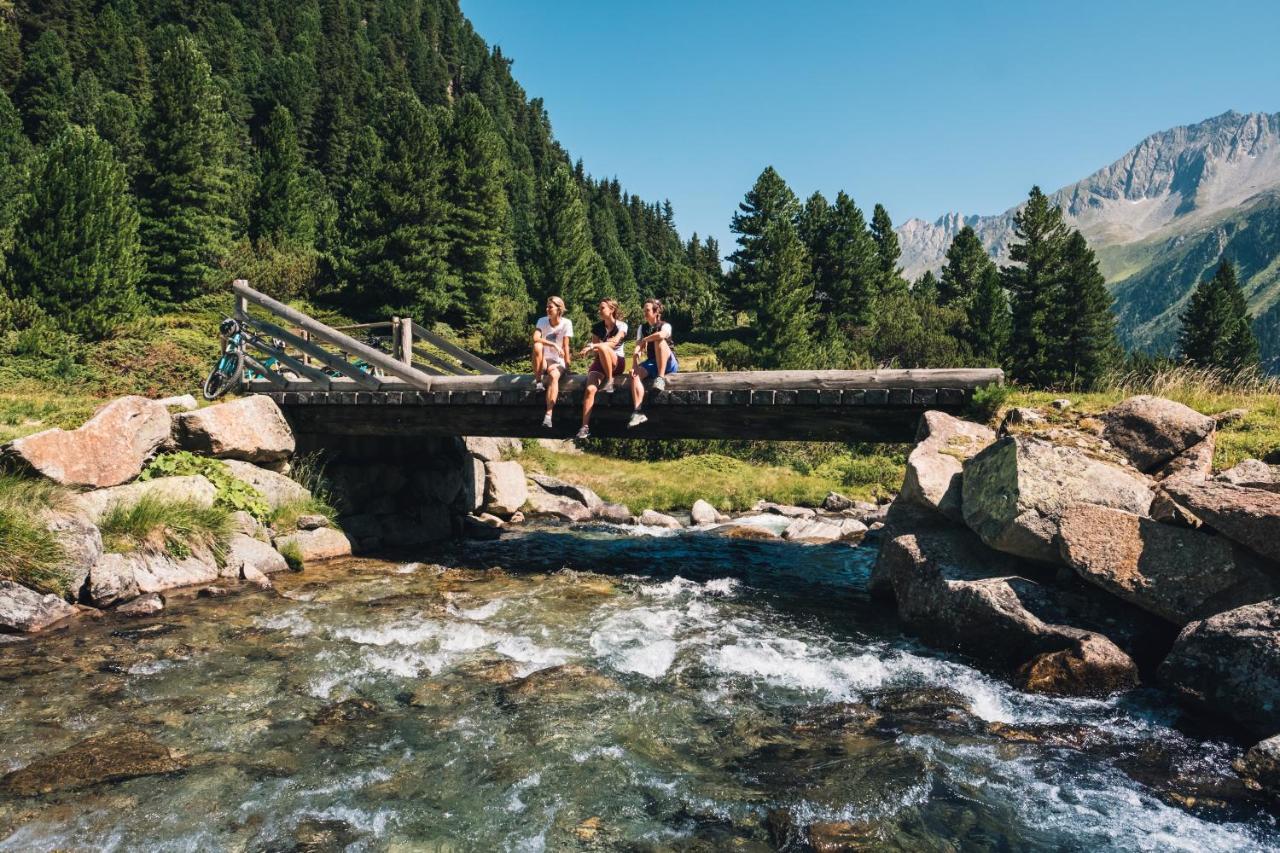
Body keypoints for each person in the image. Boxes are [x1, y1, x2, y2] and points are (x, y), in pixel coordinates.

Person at [575, 299, 628, 439]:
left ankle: (610, 380)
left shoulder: (622, 326)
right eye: (599, 308)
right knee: (590, 389)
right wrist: (594, 347)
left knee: (604, 346)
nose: (599, 311)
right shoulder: (597, 327)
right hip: (600, 362)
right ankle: (584, 427)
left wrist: (593, 346)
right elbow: (597, 352)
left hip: (617, 362)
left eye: (602, 308)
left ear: (612, 309)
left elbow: (614, 342)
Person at [628, 298, 677, 428]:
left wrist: (645, 339)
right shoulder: (642, 328)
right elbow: (638, 346)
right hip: (652, 362)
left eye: (647, 310)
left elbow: (661, 335)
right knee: (634, 374)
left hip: (669, 362)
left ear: (656, 312)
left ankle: (660, 378)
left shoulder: (665, 325)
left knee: (658, 340)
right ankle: (638, 411)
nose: (644, 312)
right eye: (644, 310)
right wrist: (634, 362)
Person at [531, 295, 574, 429]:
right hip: (543, 360)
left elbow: (566, 346)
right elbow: (536, 338)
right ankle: (538, 382)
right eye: (547, 306)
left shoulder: (566, 323)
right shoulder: (542, 321)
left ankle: (548, 415)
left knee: (554, 376)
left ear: (559, 309)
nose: (547, 309)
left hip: (557, 361)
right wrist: (554, 345)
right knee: (537, 346)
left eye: (550, 307)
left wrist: (567, 365)